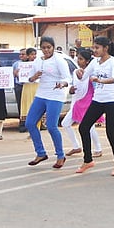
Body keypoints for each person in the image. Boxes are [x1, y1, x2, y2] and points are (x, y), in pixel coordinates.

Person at [75, 37, 114, 176]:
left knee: (110, 132)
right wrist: (79, 74)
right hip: (98, 100)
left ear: (105, 48)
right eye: (93, 47)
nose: (94, 50)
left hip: (113, 100)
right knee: (83, 127)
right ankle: (88, 160)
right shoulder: (94, 62)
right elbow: (84, 76)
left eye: (97, 48)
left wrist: (99, 80)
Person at [25, 37, 72, 169]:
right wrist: (34, 77)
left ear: (53, 47)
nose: (46, 50)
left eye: (49, 47)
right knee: (30, 123)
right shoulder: (38, 61)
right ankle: (40, 153)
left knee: (51, 126)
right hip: (41, 94)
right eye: (44, 48)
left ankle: (60, 155)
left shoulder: (59, 60)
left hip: (56, 95)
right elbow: (29, 77)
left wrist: (62, 83)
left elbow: (68, 78)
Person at [62, 48, 103, 158]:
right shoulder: (75, 72)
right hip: (77, 103)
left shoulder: (92, 73)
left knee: (89, 126)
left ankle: (98, 148)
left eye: (81, 59)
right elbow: (74, 85)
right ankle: (76, 146)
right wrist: (70, 89)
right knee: (65, 123)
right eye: (78, 58)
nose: (78, 61)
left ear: (87, 62)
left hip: (87, 102)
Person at [19, 48, 39, 132]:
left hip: (37, 86)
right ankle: (31, 130)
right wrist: (17, 73)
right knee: (28, 107)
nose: (33, 56)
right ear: (27, 56)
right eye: (31, 54)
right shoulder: (23, 65)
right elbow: (19, 76)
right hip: (27, 87)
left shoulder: (40, 63)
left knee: (37, 108)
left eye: (35, 54)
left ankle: (37, 129)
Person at [12, 48, 28, 132]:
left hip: (29, 86)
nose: (21, 56)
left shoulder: (31, 63)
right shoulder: (16, 64)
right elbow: (12, 75)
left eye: (23, 54)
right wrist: (15, 74)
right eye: (20, 54)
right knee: (21, 106)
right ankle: (22, 124)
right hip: (19, 86)